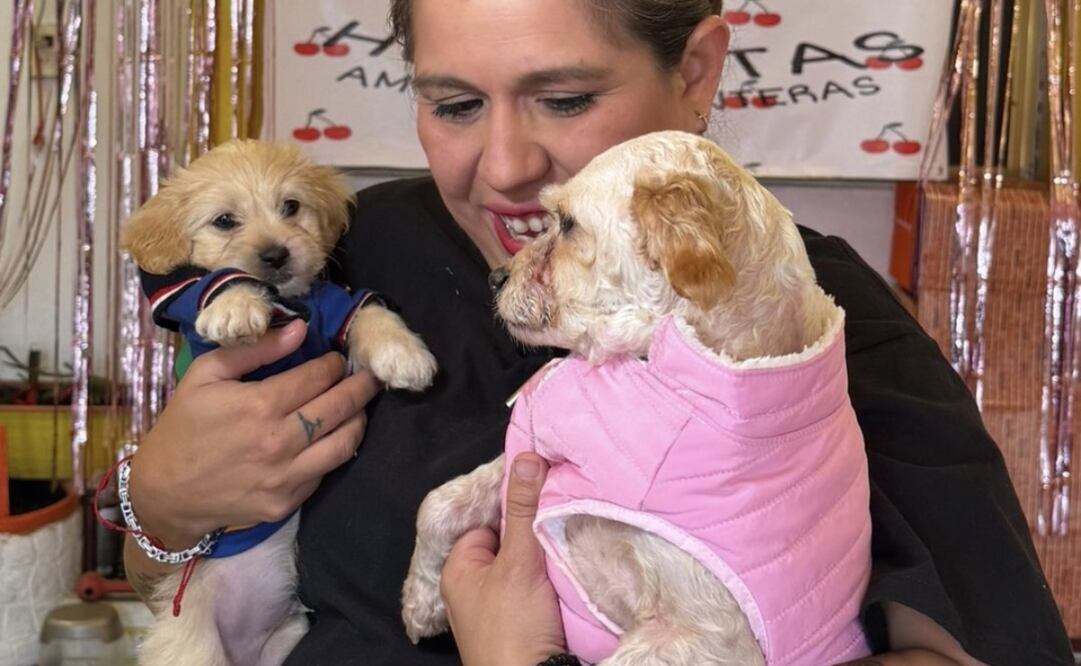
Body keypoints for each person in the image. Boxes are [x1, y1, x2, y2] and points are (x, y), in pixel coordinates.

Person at [122, 1, 1075, 664]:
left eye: (566, 99)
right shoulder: (347, 252)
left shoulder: (797, 328)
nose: (504, 166)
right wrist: (159, 506)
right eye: (453, 105)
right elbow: (170, 565)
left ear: (694, 72)